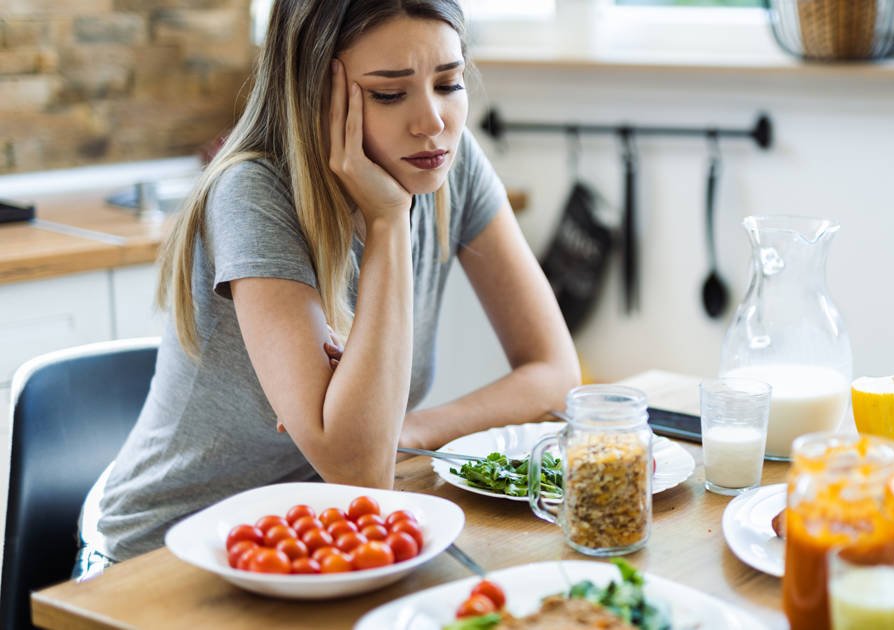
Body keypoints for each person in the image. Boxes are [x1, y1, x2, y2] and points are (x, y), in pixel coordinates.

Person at [73, 0, 579, 578]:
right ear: (314, 91)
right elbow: (360, 473)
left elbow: (554, 370)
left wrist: (406, 429)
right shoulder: (254, 193)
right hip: (160, 560)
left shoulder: (446, 164)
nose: (433, 120)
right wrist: (389, 224)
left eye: (449, 82)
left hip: (315, 542)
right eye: (389, 94)